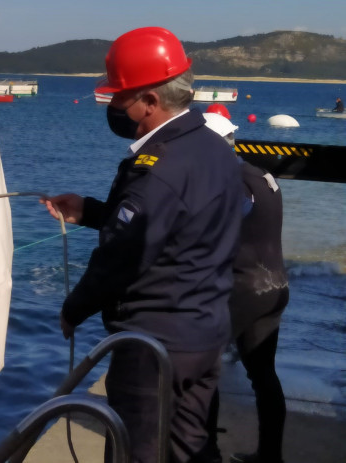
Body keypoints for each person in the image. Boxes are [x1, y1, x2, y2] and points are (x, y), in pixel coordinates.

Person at [42, 27, 243, 463]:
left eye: (119, 98)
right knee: (193, 448)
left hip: (156, 344)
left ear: (150, 102)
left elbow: (123, 254)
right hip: (205, 333)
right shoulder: (215, 149)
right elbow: (175, 225)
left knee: (139, 451)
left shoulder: (158, 169)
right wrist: (92, 212)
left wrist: (73, 308)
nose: (114, 107)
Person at [202, 108, 289, 463]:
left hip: (243, 288)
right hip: (275, 284)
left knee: (203, 369)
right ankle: (270, 456)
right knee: (263, 373)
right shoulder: (262, 174)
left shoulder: (229, 182)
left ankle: (206, 452)